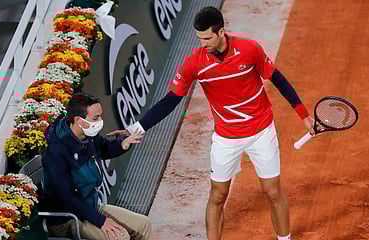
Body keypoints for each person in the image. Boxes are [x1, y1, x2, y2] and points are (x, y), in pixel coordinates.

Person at [126, 6, 314, 240]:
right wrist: (137, 127)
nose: (202, 44)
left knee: (273, 191)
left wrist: (304, 115)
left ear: (221, 32)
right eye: (199, 38)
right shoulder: (194, 63)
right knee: (217, 196)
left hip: (261, 132)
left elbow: (278, 79)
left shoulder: (249, 49)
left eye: (207, 38)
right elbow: (170, 101)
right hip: (226, 138)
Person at [40, 92, 152, 240]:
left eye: (100, 115)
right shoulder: (57, 152)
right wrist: (101, 221)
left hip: (91, 205)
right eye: (95, 117)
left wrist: (122, 144)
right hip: (68, 217)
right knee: (120, 237)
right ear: (78, 121)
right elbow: (66, 198)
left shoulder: (88, 136)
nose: (100, 121)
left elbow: (104, 149)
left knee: (143, 224)